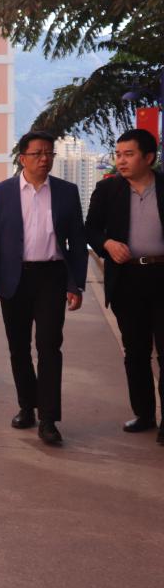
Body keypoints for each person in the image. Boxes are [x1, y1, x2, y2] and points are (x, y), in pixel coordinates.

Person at [0, 130, 87, 445]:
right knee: (19, 347)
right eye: (37, 153)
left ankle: (49, 419)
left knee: (49, 345)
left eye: (49, 153)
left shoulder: (67, 192)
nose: (44, 159)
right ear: (22, 157)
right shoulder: (4, 192)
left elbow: (77, 242)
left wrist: (76, 284)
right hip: (14, 278)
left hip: (52, 277)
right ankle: (27, 406)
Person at [85, 128, 164, 442]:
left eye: (128, 154)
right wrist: (107, 243)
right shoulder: (108, 190)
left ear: (149, 157)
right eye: (118, 154)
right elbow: (90, 229)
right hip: (127, 279)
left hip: (162, 275)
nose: (121, 161)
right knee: (135, 351)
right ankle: (144, 414)